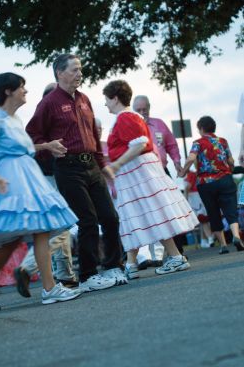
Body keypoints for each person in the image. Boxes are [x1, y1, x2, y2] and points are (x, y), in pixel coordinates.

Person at [26, 54, 127, 291]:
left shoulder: (84, 99)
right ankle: (88, 276)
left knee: (110, 217)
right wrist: (48, 147)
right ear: (60, 73)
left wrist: (103, 166)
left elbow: (93, 134)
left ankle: (113, 267)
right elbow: (31, 136)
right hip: (68, 168)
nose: (80, 73)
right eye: (74, 69)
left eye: (80, 69)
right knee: (88, 220)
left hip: (91, 164)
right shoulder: (48, 103)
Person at [0, 72, 81, 305]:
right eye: (22, 87)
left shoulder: (16, 120)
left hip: (29, 179)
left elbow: (22, 148)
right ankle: (46, 289)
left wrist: (47, 145)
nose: (26, 91)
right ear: (8, 91)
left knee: (36, 231)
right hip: (9, 182)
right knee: (13, 240)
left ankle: (47, 288)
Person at [103, 79, 198, 277]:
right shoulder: (129, 117)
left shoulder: (125, 117)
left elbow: (139, 143)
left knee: (146, 213)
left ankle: (174, 257)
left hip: (137, 172)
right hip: (136, 171)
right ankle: (132, 264)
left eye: (106, 99)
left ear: (115, 98)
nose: (105, 104)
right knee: (139, 215)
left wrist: (116, 164)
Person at [14, 82, 78, 298]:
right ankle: (28, 267)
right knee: (63, 226)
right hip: (53, 176)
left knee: (61, 227)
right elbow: (29, 145)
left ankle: (66, 274)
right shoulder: (51, 116)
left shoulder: (39, 117)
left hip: (44, 177)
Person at [179, 116, 244, 254]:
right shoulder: (223, 141)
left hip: (206, 184)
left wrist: (183, 171)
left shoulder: (198, 143)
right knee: (230, 209)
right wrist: (229, 170)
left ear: (201, 128)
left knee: (213, 212)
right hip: (225, 179)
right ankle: (236, 236)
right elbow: (231, 161)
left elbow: (191, 158)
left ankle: (223, 245)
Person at [133, 94, 184, 266]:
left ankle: (178, 252)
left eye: (144, 109)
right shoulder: (130, 126)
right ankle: (146, 256)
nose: (142, 112)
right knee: (148, 214)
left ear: (149, 107)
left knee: (172, 210)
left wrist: (177, 161)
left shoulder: (159, 124)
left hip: (162, 171)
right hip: (142, 176)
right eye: (138, 110)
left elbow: (171, 145)